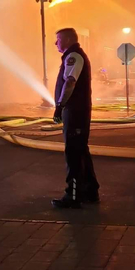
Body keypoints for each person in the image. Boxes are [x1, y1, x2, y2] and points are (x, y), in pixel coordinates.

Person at [51, 27, 100, 208]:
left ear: (69, 39)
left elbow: (70, 82)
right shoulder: (73, 55)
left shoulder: (73, 56)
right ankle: (90, 191)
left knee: (73, 154)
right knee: (80, 152)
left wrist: (60, 106)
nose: (56, 43)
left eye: (59, 39)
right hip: (77, 112)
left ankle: (72, 196)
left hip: (75, 113)